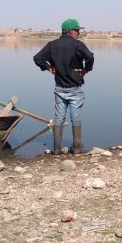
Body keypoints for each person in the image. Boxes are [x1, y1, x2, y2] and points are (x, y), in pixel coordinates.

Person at [33, 18, 94, 154]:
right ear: (71, 31)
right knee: (75, 117)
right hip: (74, 88)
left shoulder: (52, 45)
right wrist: (85, 70)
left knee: (59, 118)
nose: (79, 33)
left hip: (59, 88)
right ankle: (77, 148)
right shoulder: (78, 45)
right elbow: (90, 57)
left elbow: (37, 58)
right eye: (78, 30)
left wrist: (49, 68)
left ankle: (56, 149)